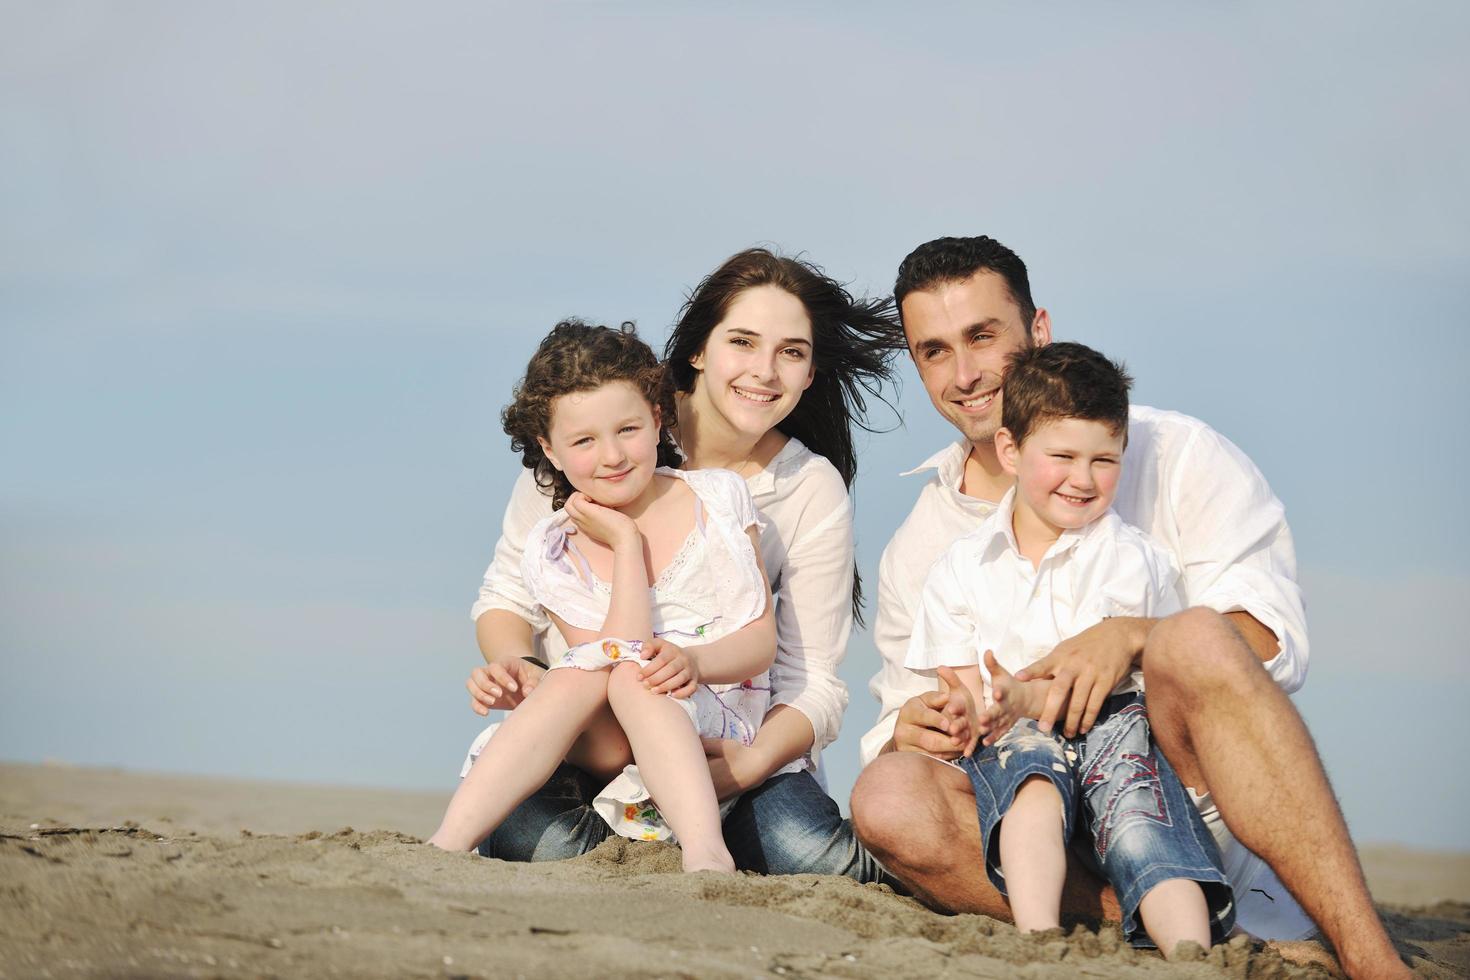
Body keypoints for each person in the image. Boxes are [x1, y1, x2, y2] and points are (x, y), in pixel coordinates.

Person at [850, 236, 1408, 978]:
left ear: (1039, 330)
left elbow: (1274, 642)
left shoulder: (1177, 453)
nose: (966, 374)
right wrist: (915, 728)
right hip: (1037, 816)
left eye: (984, 336)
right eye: (934, 351)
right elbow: (898, 723)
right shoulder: (923, 544)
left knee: (1196, 638)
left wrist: (1133, 637)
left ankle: (1369, 958)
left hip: (1187, 791)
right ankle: (1163, 922)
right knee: (886, 794)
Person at [463, 248, 900, 880]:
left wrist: (747, 766)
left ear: (809, 373)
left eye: (792, 352)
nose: (765, 371)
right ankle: (657, 858)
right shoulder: (595, 433)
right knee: (526, 834)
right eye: (743, 342)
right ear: (697, 350)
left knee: (814, 858)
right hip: (595, 740)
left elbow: (813, 678)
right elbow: (507, 596)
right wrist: (522, 668)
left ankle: (694, 846)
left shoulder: (808, 488)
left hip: (731, 743)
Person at [906, 342, 1233, 956]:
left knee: (1141, 818)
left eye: (1104, 460)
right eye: (1062, 456)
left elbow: (1145, 675)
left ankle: (1191, 954)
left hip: (1119, 728)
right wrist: (975, 706)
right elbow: (959, 684)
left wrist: (1032, 689)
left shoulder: (1136, 558)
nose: (1082, 479)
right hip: (1014, 731)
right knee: (1030, 786)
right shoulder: (962, 567)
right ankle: (1039, 939)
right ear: (1010, 450)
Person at [429, 321, 776, 872]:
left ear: (657, 418)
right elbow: (615, 654)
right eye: (584, 441)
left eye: (628, 429)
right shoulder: (554, 546)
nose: (612, 455)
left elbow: (761, 641)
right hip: (613, 739)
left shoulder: (717, 500)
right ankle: (448, 841)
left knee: (633, 674)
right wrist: (624, 542)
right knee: (593, 672)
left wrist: (692, 661)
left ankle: (706, 851)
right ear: (550, 449)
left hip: (712, 725)